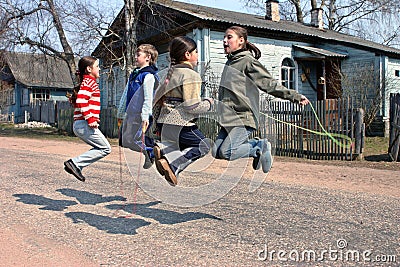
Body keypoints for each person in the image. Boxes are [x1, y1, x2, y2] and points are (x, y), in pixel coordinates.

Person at [212, 25, 309, 173]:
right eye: (224, 37)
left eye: (229, 37)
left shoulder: (247, 61)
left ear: (241, 41)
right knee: (215, 151)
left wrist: (294, 96)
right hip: (228, 118)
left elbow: (268, 84)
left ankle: (259, 147)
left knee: (226, 152)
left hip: (243, 117)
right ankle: (257, 147)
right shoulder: (230, 62)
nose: (224, 40)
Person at [152, 36, 213, 186]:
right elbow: (191, 107)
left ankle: (164, 148)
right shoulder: (191, 75)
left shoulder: (168, 74)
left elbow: (156, 102)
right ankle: (173, 165)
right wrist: (209, 104)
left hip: (164, 123)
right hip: (181, 124)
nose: (198, 56)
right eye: (196, 52)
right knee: (204, 145)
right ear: (187, 54)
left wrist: (156, 126)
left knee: (186, 145)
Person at [64, 56, 111, 182]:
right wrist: (91, 119)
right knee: (105, 148)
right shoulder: (89, 82)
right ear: (89, 69)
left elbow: (83, 102)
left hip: (81, 124)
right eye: (97, 66)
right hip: (84, 124)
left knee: (102, 148)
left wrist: (93, 117)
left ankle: (76, 164)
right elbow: (81, 101)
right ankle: (75, 164)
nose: (99, 69)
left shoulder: (88, 82)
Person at [117, 44, 159, 169]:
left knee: (135, 139)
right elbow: (126, 94)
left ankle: (152, 151)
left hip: (141, 114)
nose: (135, 57)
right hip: (131, 114)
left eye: (138, 55)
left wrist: (145, 116)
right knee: (124, 141)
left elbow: (148, 98)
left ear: (148, 57)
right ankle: (151, 151)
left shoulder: (148, 75)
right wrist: (121, 112)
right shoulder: (134, 74)